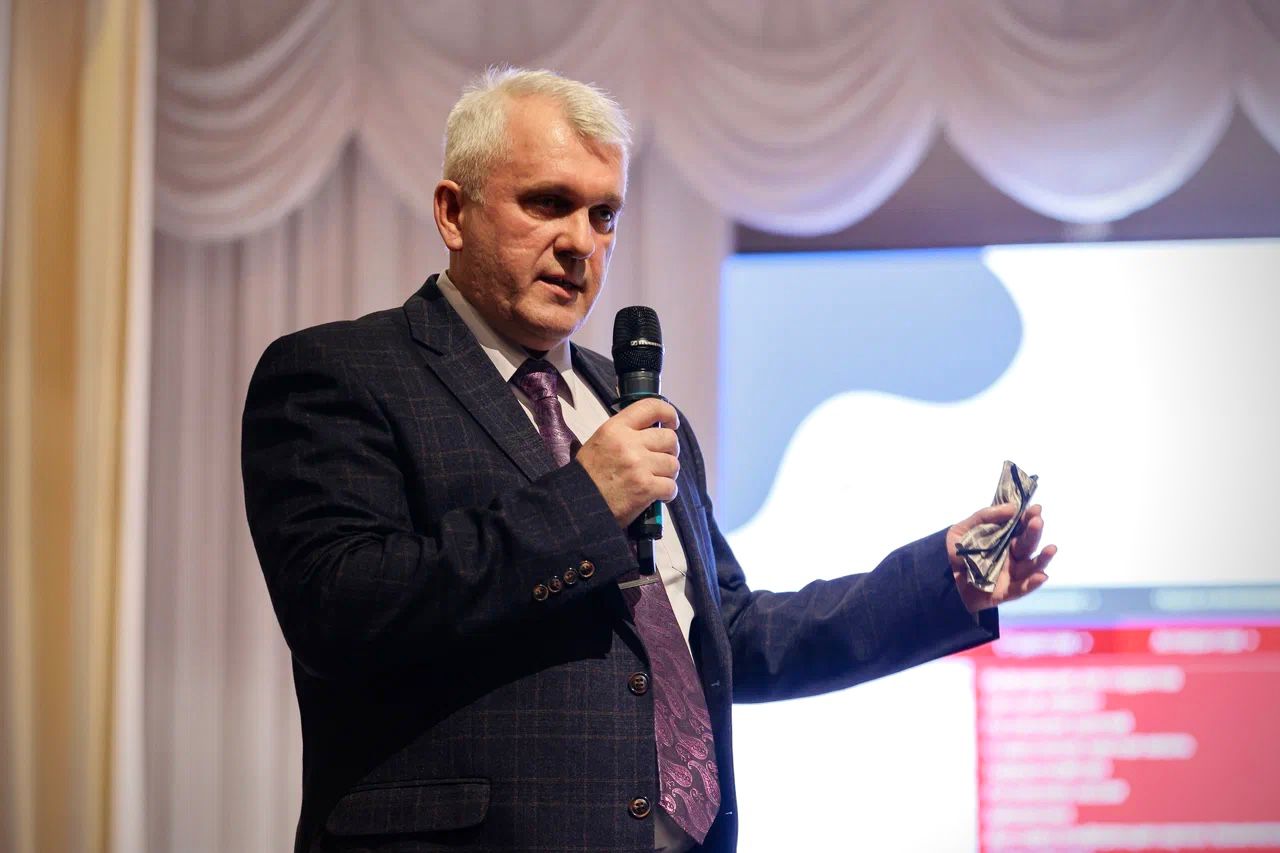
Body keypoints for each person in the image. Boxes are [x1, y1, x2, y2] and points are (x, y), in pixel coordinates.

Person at [240, 67, 1056, 853]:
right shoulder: (341, 374)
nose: (579, 242)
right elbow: (342, 611)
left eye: (604, 215)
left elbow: (731, 635)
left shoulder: (632, 410)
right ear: (454, 212)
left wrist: (941, 580)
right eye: (549, 203)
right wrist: (585, 501)